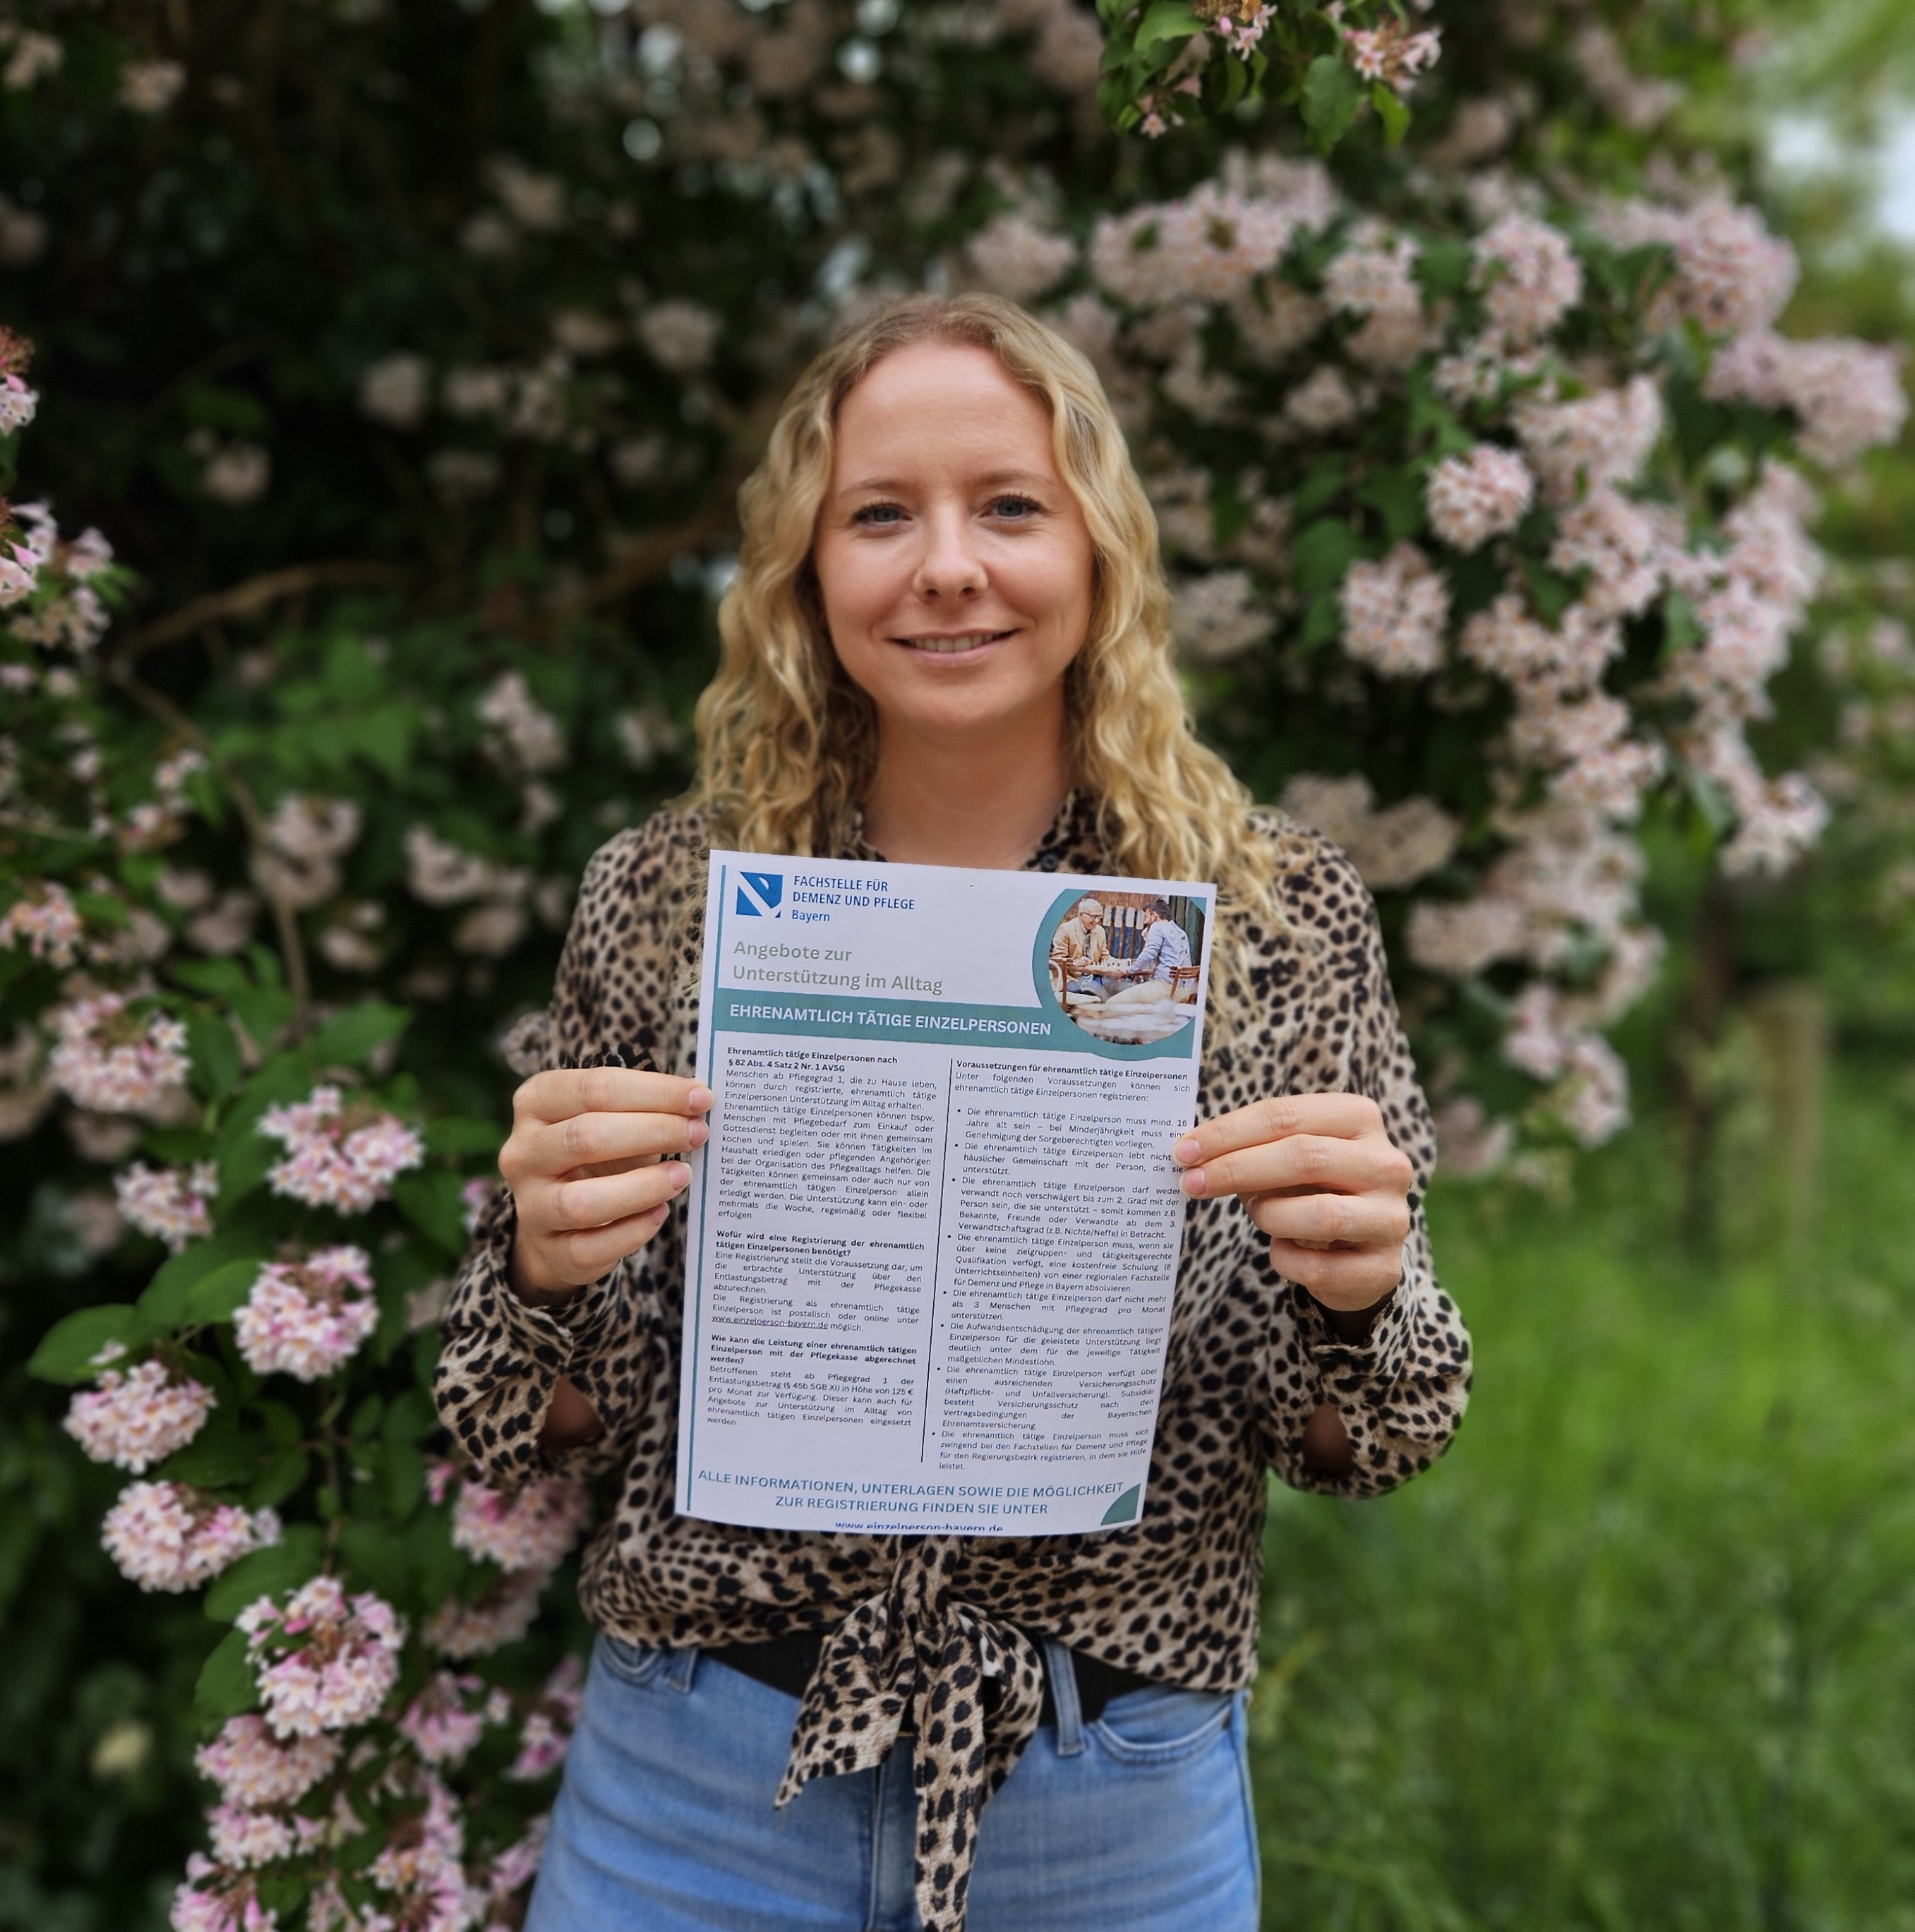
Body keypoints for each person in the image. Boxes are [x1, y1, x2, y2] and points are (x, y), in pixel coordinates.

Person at [434, 293, 1472, 1932]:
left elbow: (1362, 1443)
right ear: (801, 574)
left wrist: (1358, 1298)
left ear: (1099, 550)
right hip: (700, 1780)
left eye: (1006, 505)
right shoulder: (668, 900)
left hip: (1105, 1803)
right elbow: (539, 1422)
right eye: (876, 515)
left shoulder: (1273, 918)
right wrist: (543, 1273)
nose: (946, 567)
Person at [1108, 897, 1192, 992]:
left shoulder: (1157, 926)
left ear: (1154, 916)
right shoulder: (1181, 932)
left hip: (1166, 988)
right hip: (1185, 990)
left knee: (1112, 1002)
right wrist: (1148, 940)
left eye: (1146, 917)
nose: (1145, 922)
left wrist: (1127, 971)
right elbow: (1162, 959)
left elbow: (1148, 956)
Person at [1048, 893, 1119, 999]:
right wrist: (1075, 962)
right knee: (1098, 992)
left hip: (1094, 978)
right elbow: (1058, 960)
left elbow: (1105, 957)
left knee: (1120, 988)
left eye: (1099, 916)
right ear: (1081, 915)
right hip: (1070, 979)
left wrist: (1117, 963)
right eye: (1093, 916)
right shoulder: (1066, 929)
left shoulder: (1100, 931)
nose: (1096, 921)